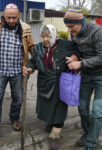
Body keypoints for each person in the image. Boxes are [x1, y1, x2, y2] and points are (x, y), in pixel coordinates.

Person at [0, 3, 34, 139]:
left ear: (19, 16)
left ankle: (15, 119)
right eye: (8, 17)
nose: (11, 20)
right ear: (4, 16)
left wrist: (34, 65)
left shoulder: (26, 29)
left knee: (18, 99)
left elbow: (32, 49)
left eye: (14, 18)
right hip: (0, 72)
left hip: (18, 72)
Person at [23, 24, 79, 149]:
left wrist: (75, 57)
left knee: (59, 105)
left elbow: (77, 51)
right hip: (44, 83)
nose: (45, 39)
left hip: (61, 82)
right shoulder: (38, 48)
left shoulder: (65, 44)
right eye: (43, 36)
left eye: (48, 36)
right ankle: (51, 122)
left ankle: (57, 130)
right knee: (47, 105)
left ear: (53, 35)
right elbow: (33, 62)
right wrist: (29, 68)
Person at [64, 6, 102, 150]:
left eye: (71, 26)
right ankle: (88, 132)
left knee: (97, 111)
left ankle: (91, 144)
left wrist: (80, 63)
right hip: (86, 74)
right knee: (82, 107)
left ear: (80, 22)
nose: (69, 30)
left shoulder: (97, 31)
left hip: (100, 76)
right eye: (67, 26)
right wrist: (75, 56)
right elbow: (76, 50)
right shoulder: (74, 33)